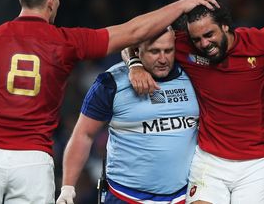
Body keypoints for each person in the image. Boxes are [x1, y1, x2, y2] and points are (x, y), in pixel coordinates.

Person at [0, 0, 218, 204]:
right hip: (33, 162)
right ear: (51, 2)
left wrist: (134, 63)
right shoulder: (65, 42)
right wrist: (183, 5)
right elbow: (133, 32)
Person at [124, 4, 264, 204]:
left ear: (224, 26)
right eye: (197, 39)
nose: (204, 44)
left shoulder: (259, 41)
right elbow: (131, 37)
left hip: (256, 165)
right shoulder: (183, 46)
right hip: (209, 161)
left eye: (209, 34)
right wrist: (134, 64)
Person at [56, 27, 199, 204]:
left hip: (183, 196)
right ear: (137, 51)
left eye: (168, 51)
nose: (163, 59)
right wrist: (68, 188)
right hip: (125, 196)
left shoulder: (195, 76)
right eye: (154, 51)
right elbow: (84, 134)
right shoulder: (111, 82)